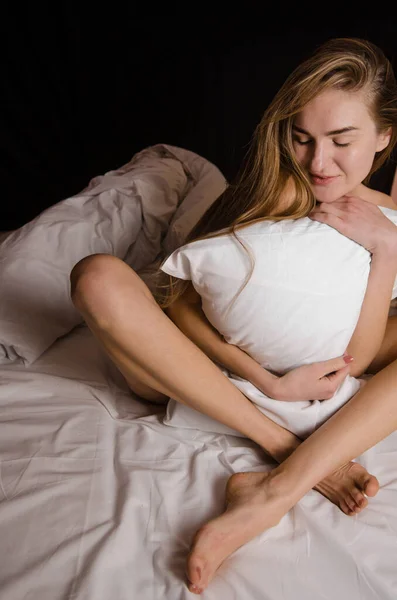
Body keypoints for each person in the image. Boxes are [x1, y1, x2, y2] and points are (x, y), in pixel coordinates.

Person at [69, 37, 397, 595]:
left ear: (385, 137)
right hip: (201, 381)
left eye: (342, 141)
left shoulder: (389, 220)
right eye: (302, 138)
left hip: (327, 385)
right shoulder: (268, 192)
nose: (319, 163)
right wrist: (260, 377)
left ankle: (272, 492)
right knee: (96, 275)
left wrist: (386, 249)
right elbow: (180, 306)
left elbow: (358, 358)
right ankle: (283, 451)